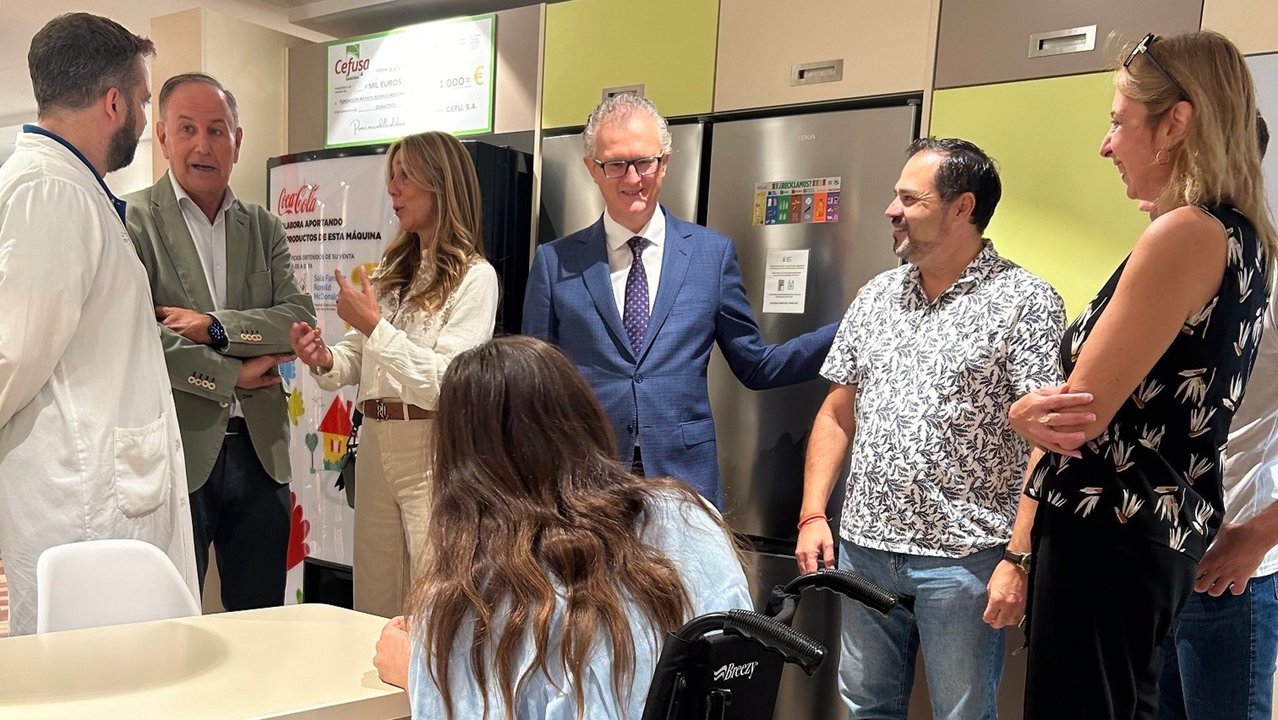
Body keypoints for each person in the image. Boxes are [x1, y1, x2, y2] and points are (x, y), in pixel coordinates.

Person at [1007, 31, 1276, 720]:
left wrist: (1020, 413)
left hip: (1107, 533)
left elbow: (1078, 416)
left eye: (1120, 121)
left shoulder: (1184, 233)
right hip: (1153, 537)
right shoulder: (1244, 240)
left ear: (1177, 122)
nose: (1107, 144)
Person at [795, 137, 1067, 719]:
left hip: (965, 560)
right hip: (863, 548)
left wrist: (1018, 560)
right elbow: (837, 412)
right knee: (867, 706)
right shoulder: (876, 296)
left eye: (908, 199)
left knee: (961, 715)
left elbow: (1048, 444)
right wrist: (814, 513)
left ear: (962, 208)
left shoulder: (1025, 302)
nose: (892, 210)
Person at [378, 335, 752, 718]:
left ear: (460, 466)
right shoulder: (689, 516)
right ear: (584, 416)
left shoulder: (480, 597)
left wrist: (417, 671)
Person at [522, 93, 835, 507]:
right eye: (615, 164)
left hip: (685, 481)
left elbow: (756, 365)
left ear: (665, 163)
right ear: (591, 171)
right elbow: (533, 388)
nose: (632, 179)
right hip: (587, 480)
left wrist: (852, 328)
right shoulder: (555, 262)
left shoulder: (711, 255)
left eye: (644, 162)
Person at [0, 13, 199, 636]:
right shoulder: (49, 193)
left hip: (100, 492)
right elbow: (11, 359)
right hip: (81, 504)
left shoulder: (69, 189)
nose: (144, 120)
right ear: (114, 102)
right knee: (97, 682)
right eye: (143, 101)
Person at [125, 73, 316, 610]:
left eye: (217, 130)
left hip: (263, 454)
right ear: (162, 136)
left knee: (261, 618)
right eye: (187, 129)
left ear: (238, 139)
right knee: (173, 615)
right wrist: (234, 372)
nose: (202, 145)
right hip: (181, 451)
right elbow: (141, 338)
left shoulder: (264, 227)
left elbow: (297, 319)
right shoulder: (133, 221)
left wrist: (213, 327)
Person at [290, 131, 499, 618]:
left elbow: (450, 382)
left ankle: (429, 694)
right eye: (392, 175)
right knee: (374, 599)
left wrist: (374, 327)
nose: (393, 188)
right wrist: (322, 357)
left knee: (434, 597)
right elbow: (357, 358)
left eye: (406, 176)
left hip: (432, 447)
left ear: (441, 183)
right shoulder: (392, 270)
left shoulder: (476, 277)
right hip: (375, 442)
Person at [1155, 113, 1277, 720]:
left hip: (1228, 572)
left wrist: (1257, 538)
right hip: (1159, 555)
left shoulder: (1269, 273)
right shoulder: (1163, 259)